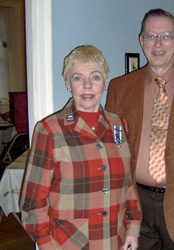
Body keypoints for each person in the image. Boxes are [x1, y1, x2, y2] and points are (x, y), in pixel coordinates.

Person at [20, 45, 141, 250]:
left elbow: (128, 184)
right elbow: (32, 202)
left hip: (115, 239)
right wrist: (47, 245)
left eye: (95, 77)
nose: (87, 85)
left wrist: (133, 228)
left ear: (104, 81)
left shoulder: (118, 125)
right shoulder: (49, 130)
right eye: (77, 78)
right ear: (68, 83)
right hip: (69, 243)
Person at [105, 8, 174, 250]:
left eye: (166, 36)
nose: (158, 44)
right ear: (142, 41)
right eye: (151, 36)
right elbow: (111, 149)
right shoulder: (119, 88)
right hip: (135, 203)